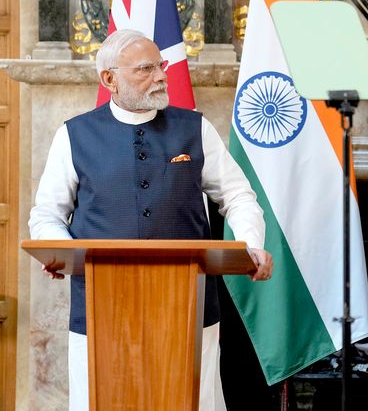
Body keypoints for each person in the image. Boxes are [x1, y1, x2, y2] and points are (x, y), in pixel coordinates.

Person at [28, 29, 274, 411]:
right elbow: (47, 214)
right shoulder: (73, 135)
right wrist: (57, 250)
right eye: (146, 69)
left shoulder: (196, 128)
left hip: (189, 307)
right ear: (109, 78)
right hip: (100, 308)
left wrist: (251, 244)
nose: (161, 76)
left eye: (162, 66)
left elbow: (238, 196)